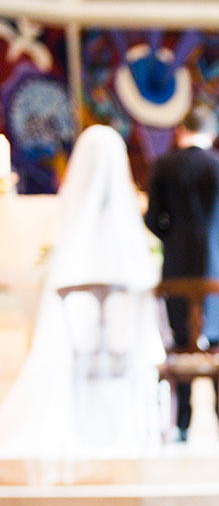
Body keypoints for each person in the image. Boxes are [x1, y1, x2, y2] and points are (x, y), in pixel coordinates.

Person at [0, 122, 164, 470]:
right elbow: (145, 291)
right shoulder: (127, 231)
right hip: (124, 342)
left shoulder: (71, 230)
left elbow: (58, 286)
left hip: (76, 341)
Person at [145, 104, 219, 440]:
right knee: (217, 340)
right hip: (218, 268)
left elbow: (152, 220)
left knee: (180, 339)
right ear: (213, 132)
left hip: (175, 267)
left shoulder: (164, 165)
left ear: (181, 130)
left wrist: (173, 238)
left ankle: (182, 423)